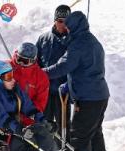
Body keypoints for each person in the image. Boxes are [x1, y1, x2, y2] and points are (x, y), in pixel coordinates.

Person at [43, 11, 111, 151]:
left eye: (68, 26)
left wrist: (41, 74)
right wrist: (68, 86)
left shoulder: (78, 44)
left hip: (88, 98)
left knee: (78, 137)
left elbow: (63, 67)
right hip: (100, 95)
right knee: (95, 133)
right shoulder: (92, 40)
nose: (65, 29)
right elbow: (88, 69)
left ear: (73, 27)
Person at [0, 60, 65, 151]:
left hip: (15, 127)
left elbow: (29, 108)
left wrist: (43, 121)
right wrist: (19, 129)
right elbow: (1, 117)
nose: (12, 79)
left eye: (12, 74)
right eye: (8, 77)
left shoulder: (14, 88)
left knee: (42, 132)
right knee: (21, 143)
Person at [36, 5, 71, 143]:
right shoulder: (43, 38)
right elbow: (36, 63)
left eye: (66, 21)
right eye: (60, 20)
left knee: (64, 125)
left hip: (63, 91)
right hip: (45, 91)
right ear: (55, 20)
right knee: (45, 123)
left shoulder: (72, 41)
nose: (63, 24)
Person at [9, 42, 50, 127]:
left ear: (33, 60)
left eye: (25, 61)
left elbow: (40, 103)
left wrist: (24, 117)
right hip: (7, 118)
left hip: (27, 121)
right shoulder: (7, 67)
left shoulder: (40, 77)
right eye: (19, 59)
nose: (21, 63)